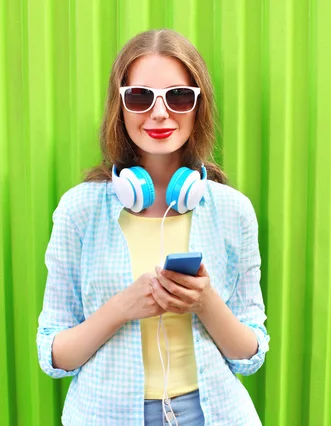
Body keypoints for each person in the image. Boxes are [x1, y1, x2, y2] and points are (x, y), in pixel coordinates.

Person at [37, 28, 270, 426]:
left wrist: (205, 301)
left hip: (214, 413)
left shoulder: (233, 211)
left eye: (178, 97)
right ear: (120, 106)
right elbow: (54, 355)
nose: (159, 113)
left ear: (199, 107)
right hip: (105, 415)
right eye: (141, 97)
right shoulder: (79, 210)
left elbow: (250, 356)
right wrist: (121, 308)